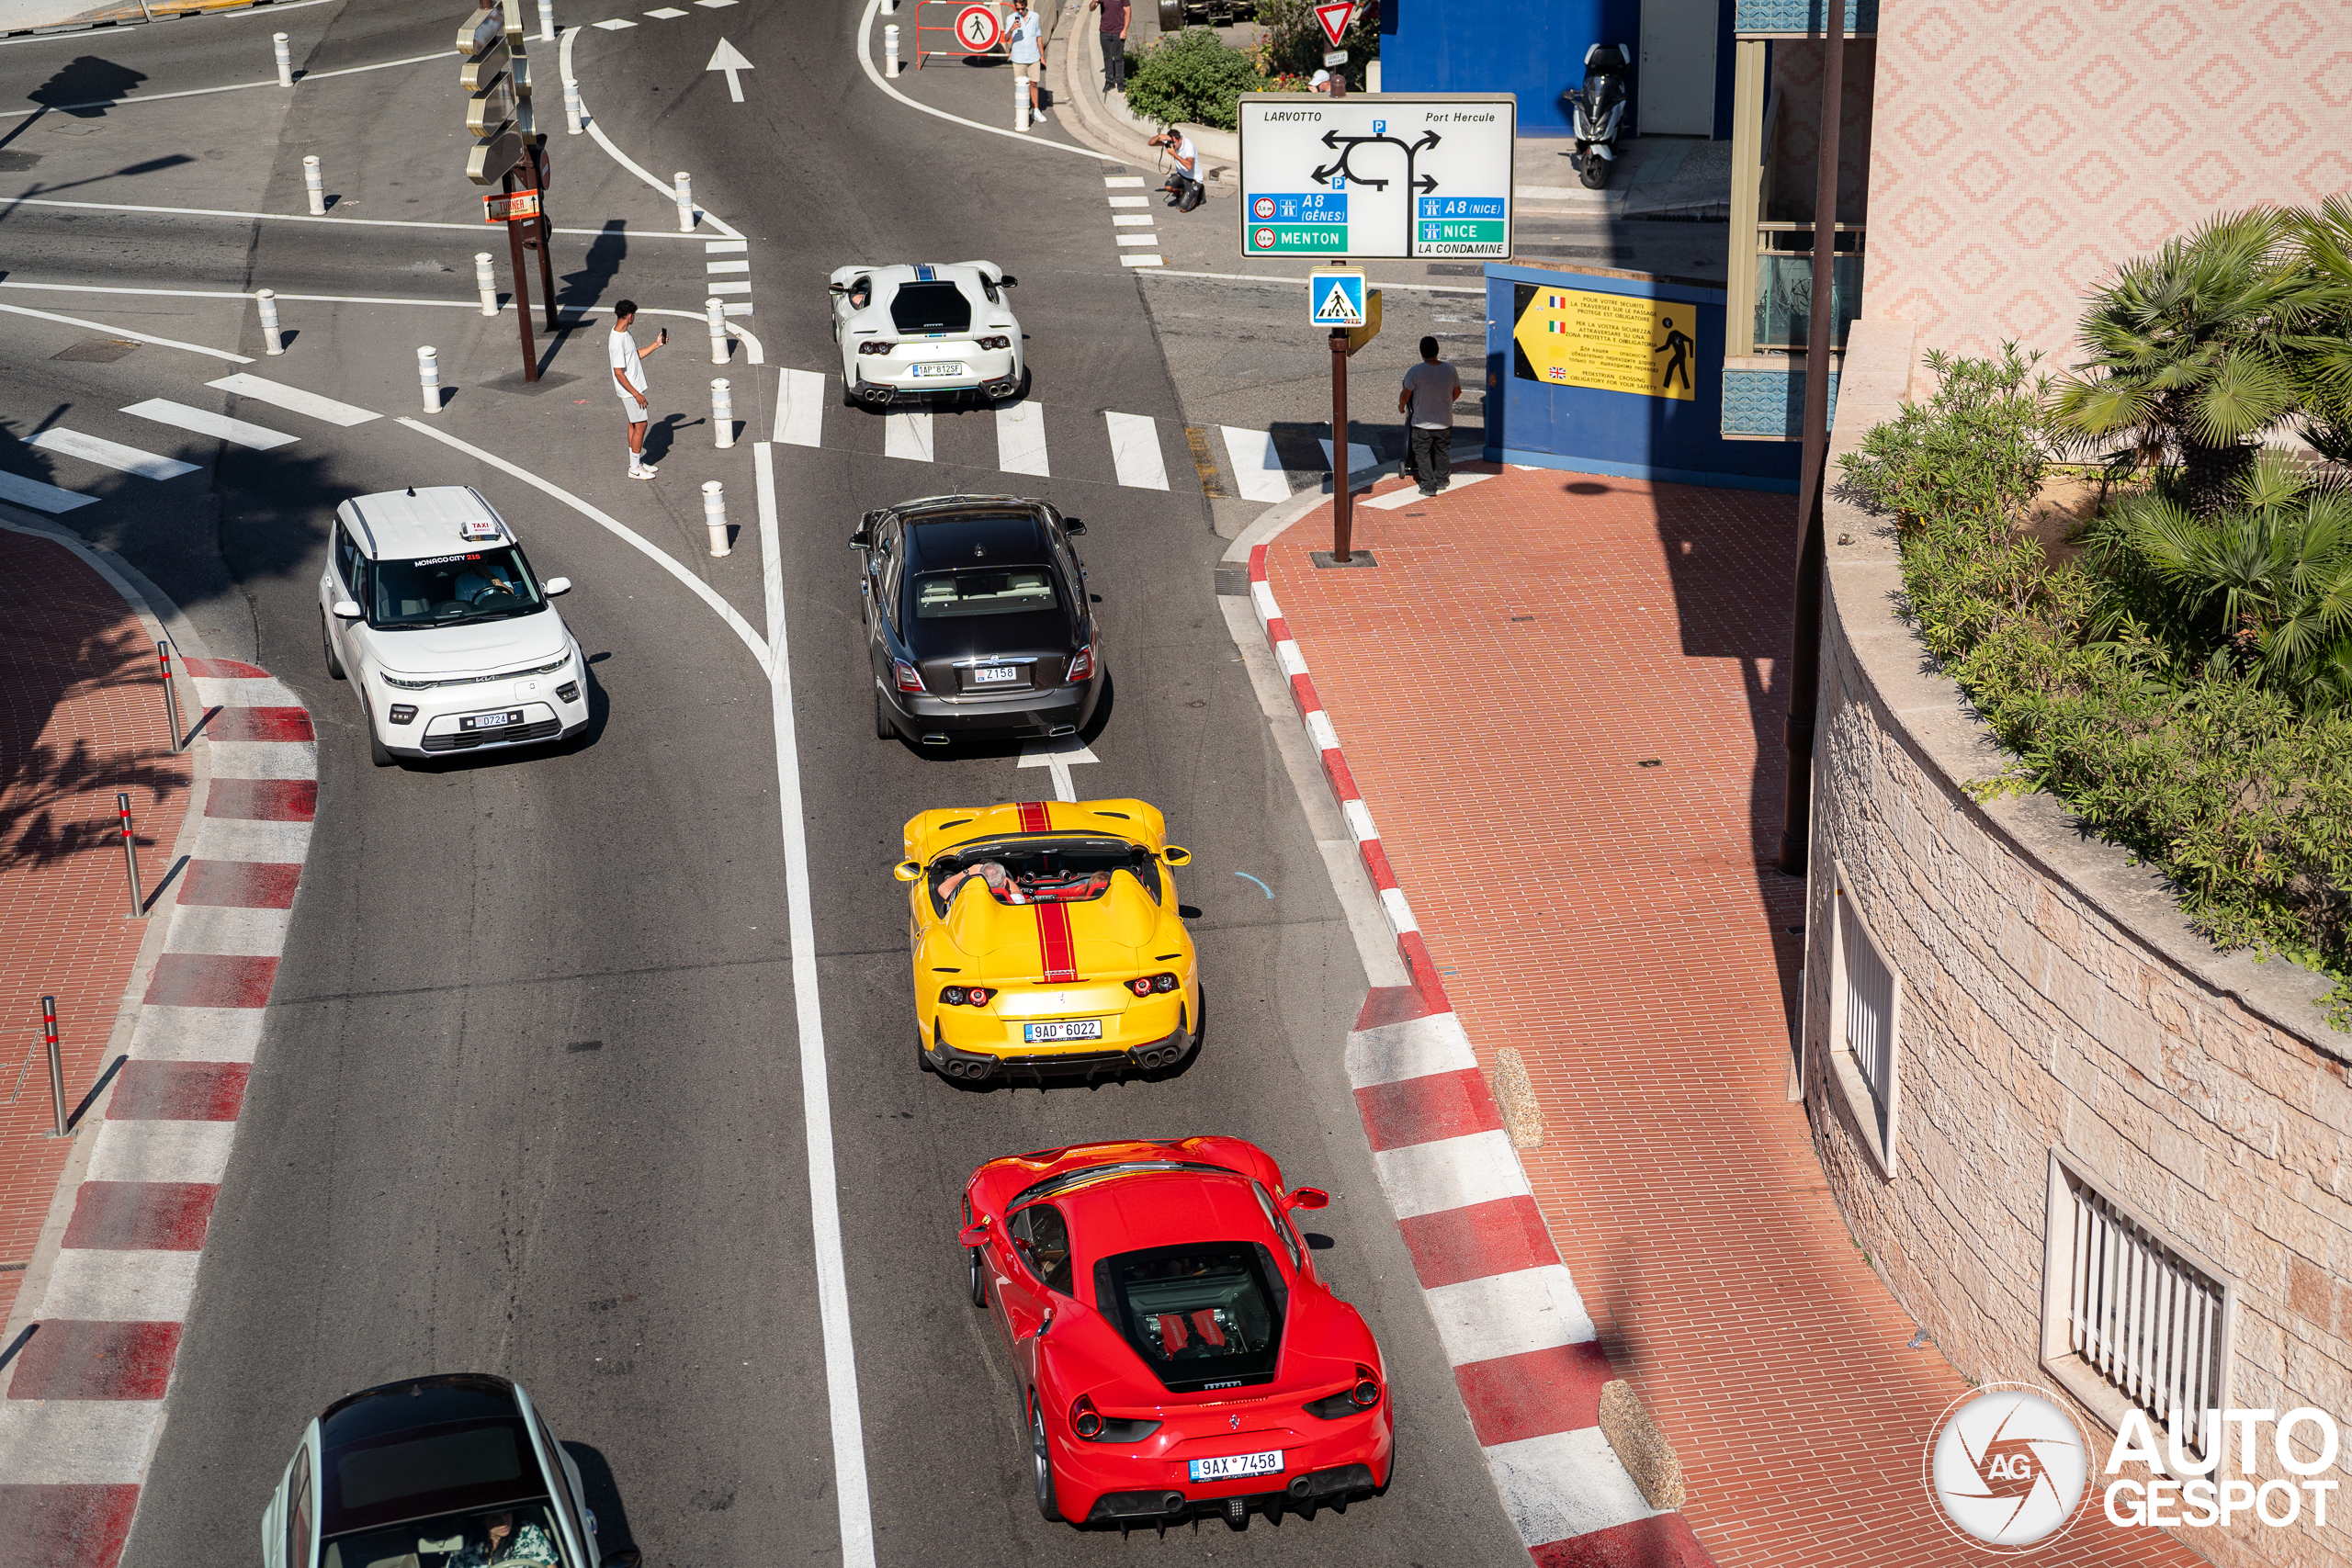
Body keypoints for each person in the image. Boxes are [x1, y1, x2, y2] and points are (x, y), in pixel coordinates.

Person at [608, 299, 666, 480]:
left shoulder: (624, 333)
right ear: (630, 316)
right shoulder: (618, 340)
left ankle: (636, 462)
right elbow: (619, 373)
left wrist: (657, 344)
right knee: (641, 424)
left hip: (632, 388)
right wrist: (637, 394)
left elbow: (635, 356)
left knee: (634, 423)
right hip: (630, 390)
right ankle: (634, 468)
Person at [1396, 334, 1463, 496]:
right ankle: (1442, 479)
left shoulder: (1416, 371)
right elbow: (1457, 391)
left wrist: (1401, 406)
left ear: (1421, 352)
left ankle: (1428, 485)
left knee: (1422, 453)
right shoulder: (1450, 369)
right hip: (1444, 421)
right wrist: (1446, 404)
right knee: (1442, 450)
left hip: (1422, 423)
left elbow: (1405, 394)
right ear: (1438, 351)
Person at [454, 1511, 558, 1567]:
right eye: (495, 1518)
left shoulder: (528, 1531)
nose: (504, 1521)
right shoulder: (467, 1543)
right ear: (482, 1521)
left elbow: (550, 1566)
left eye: (507, 1514)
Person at [1005, 0, 1044, 123]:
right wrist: (1011, 29)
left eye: (1022, 8)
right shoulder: (1011, 18)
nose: (1020, 11)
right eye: (1018, 9)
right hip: (1018, 58)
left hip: (1033, 56)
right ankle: (1021, 112)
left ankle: (1036, 110)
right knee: (1020, 86)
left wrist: (1042, 55)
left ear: (1026, 6)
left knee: (1033, 84)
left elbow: (1039, 36)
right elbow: (1006, 38)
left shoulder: (1035, 17)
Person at [1149, 128, 1202, 210]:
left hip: (1194, 179)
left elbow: (1189, 166)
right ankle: (1181, 192)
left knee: (1183, 209)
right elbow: (1151, 143)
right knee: (1168, 187)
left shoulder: (1188, 146)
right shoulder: (1172, 143)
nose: (1172, 145)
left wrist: (1174, 154)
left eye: (1174, 143)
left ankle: (1197, 193)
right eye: (1171, 143)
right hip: (1181, 175)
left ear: (1180, 140)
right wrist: (1159, 136)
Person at [940, 860, 1026, 905]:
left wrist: (968, 872)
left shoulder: (968, 900)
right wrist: (997, 873)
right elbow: (1017, 893)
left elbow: (943, 889)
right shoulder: (1016, 901)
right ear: (1004, 882)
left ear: (981, 879)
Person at [1090, 0, 1129, 95]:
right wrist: (1095, 1)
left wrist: (1124, 30)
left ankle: (1120, 82)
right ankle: (1109, 81)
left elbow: (1128, 12)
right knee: (1107, 57)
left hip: (1118, 32)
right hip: (1105, 31)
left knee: (1119, 58)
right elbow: (1091, 8)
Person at [1654, 313, 1694, 393]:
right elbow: (1667, 347)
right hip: (1681, 354)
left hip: (1681, 354)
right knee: (1682, 370)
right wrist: (1656, 350)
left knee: (1671, 366)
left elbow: (1691, 341)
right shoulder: (1671, 334)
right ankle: (1686, 386)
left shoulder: (1675, 333)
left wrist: (1691, 355)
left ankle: (1666, 385)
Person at [451, 558, 518, 604]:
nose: (480, 562)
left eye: (483, 558)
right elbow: (464, 606)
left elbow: (510, 593)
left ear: (487, 557)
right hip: (476, 615)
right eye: (476, 559)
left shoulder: (499, 571)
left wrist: (490, 575)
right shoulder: (462, 580)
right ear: (471, 560)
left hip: (500, 609)